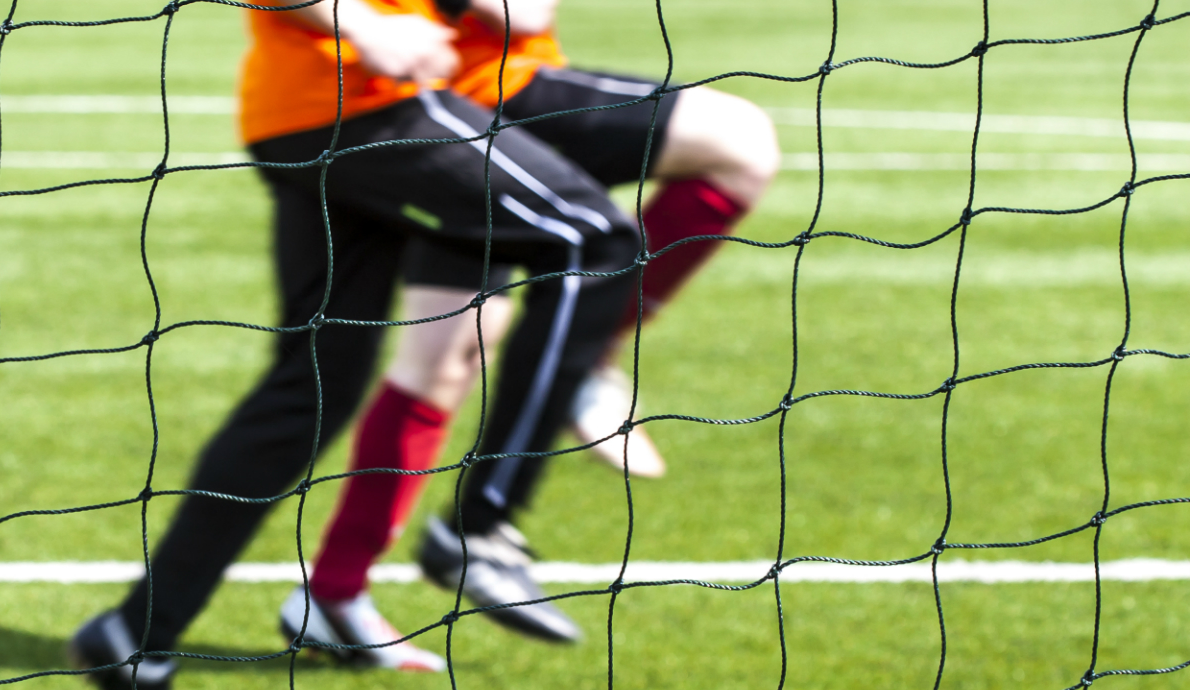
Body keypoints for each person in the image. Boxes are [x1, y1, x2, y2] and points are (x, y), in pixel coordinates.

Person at [66, 0, 641, 685]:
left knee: (315, 383)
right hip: (366, 103)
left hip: (315, 116)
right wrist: (364, 26)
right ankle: (481, 525)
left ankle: (138, 632)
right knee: (596, 240)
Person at [293, 0, 782, 662]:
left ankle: (332, 593)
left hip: (456, 112)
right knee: (740, 140)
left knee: (446, 357)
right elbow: (519, 16)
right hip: (477, 101)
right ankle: (497, 499)